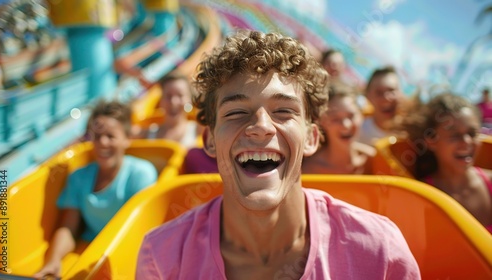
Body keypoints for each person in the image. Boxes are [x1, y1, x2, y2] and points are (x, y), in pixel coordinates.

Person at [136, 30, 420, 279]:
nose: (260, 127)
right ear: (209, 141)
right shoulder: (162, 258)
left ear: (311, 138)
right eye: (236, 113)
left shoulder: (380, 252)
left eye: (283, 111)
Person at [34, 100, 158, 278]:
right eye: (97, 136)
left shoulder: (141, 175)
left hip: (124, 254)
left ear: (127, 138)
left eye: (110, 136)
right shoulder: (78, 177)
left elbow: (137, 233)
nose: (102, 143)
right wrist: (53, 260)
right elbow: (68, 227)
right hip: (89, 248)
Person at [396, 92, 492, 233]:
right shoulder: (421, 196)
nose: (466, 142)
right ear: (431, 141)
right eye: (455, 135)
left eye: (472, 133)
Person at [302, 84, 375, 174]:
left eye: (351, 116)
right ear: (322, 122)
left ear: (361, 115)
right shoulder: (308, 170)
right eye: (335, 119)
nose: (346, 125)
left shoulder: (374, 160)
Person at [145, 72, 199, 149]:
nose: (173, 102)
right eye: (168, 96)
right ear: (161, 100)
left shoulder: (198, 130)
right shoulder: (147, 132)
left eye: (180, 95)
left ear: (189, 99)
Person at [357, 66, 406, 146]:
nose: (386, 97)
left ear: (401, 93)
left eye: (391, 90)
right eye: (379, 92)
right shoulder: (357, 131)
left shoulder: (413, 132)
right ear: (368, 96)